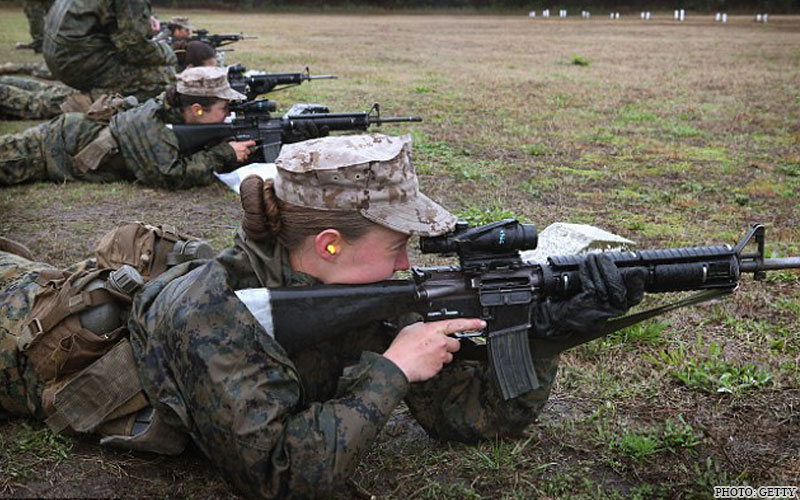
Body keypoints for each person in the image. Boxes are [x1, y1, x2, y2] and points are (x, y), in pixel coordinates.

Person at [0, 133, 646, 498]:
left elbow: (468, 419)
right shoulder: (212, 313)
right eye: (397, 245)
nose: (407, 263)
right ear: (330, 245)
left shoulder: (359, 291)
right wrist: (394, 371)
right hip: (24, 334)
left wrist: (542, 338)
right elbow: (275, 475)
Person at [0, 66, 255, 189]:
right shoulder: (152, 125)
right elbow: (171, 175)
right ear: (197, 109)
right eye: (224, 108)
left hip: (64, 137)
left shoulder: (169, 111)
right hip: (46, 150)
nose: (227, 115)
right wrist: (224, 153)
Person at [42, 0, 176, 102]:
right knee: (163, 78)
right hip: (78, 64)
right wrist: (167, 52)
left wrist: (142, 21)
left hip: (59, 56)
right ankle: (90, 101)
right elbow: (135, 48)